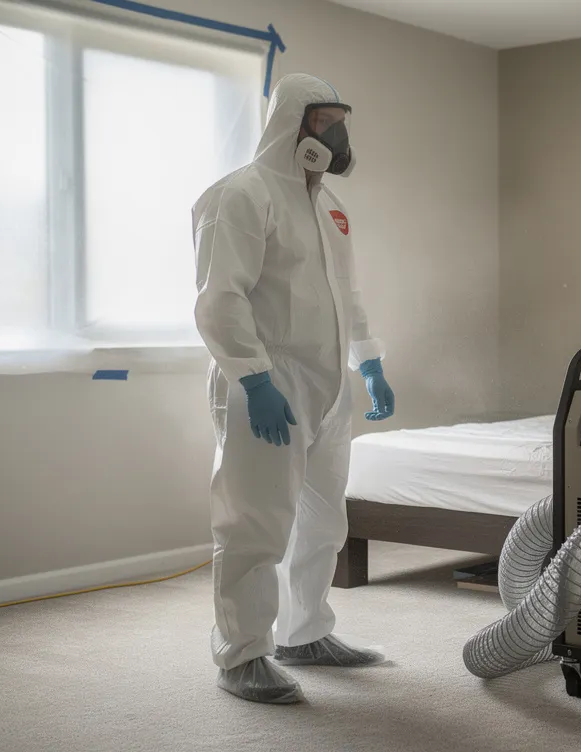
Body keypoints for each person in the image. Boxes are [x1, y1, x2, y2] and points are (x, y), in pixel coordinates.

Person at [191, 73, 396, 705]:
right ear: (293, 122)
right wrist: (252, 377)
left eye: (341, 120)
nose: (336, 134)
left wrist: (370, 363)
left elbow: (348, 296)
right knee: (255, 518)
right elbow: (219, 298)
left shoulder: (330, 205)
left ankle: (305, 632)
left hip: (329, 383)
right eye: (325, 120)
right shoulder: (240, 196)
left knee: (323, 517)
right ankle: (243, 654)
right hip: (268, 378)